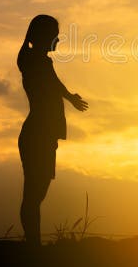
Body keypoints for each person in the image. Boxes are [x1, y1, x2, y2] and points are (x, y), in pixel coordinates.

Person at [17, 14, 88, 245]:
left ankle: (33, 244)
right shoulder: (33, 61)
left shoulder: (40, 61)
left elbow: (55, 85)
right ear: (43, 36)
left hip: (43, 134)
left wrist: (70, 97)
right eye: (54, 36)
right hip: (37, 134)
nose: (57, 41)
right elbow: (52, 85)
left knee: (37, 194)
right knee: (33, 195)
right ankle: (33, 245)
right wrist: (69, 97)